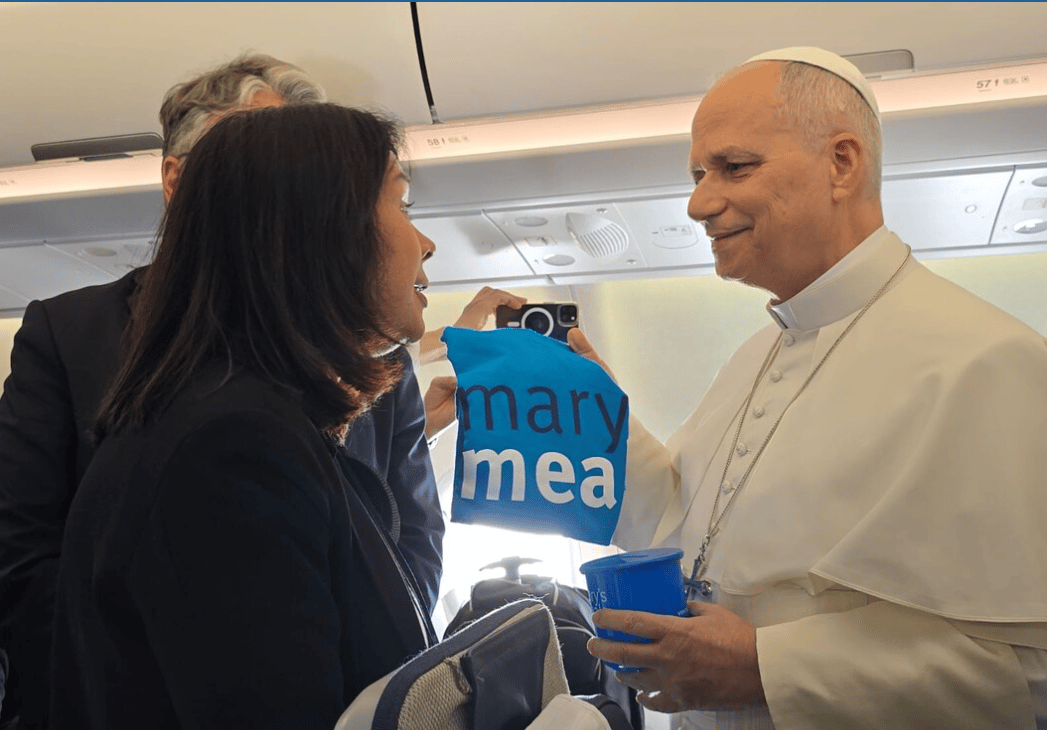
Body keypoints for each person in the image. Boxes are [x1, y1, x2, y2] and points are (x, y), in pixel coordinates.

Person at [571, 47, 1047, 729]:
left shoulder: (985, 361)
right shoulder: (755, 354)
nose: (699, 203)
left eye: (734, 167)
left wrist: (767, 670)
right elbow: (682, 528)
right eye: (699, 174)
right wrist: (592, 407)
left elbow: (1029, 676)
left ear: (841, 163)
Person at [0, 53, 446, 730]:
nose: (427, 242)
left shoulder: (256, 411)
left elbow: (402, 543)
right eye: (401, 203)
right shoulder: (229, 440)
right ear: (299, 216)